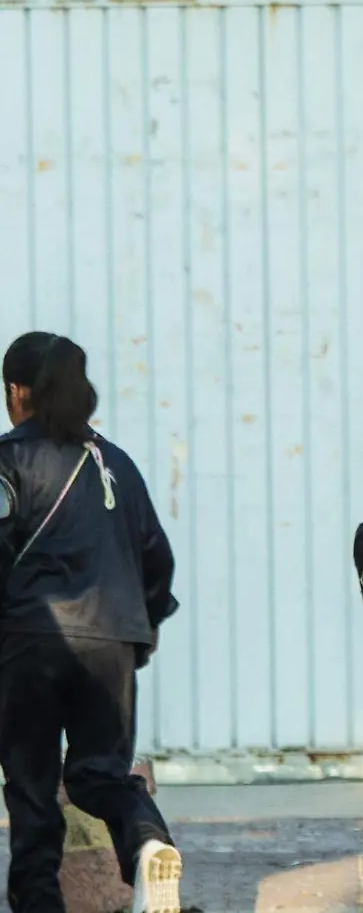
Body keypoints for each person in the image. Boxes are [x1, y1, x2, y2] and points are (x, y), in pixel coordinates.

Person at [0, 333, 184, 913]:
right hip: (113, 641)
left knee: (32, 791)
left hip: (31, 640)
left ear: (17, 391)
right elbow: (157, 558)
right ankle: (148, 842)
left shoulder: (8, 459)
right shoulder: (119, 466)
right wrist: (139, 634)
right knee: (100, 774)